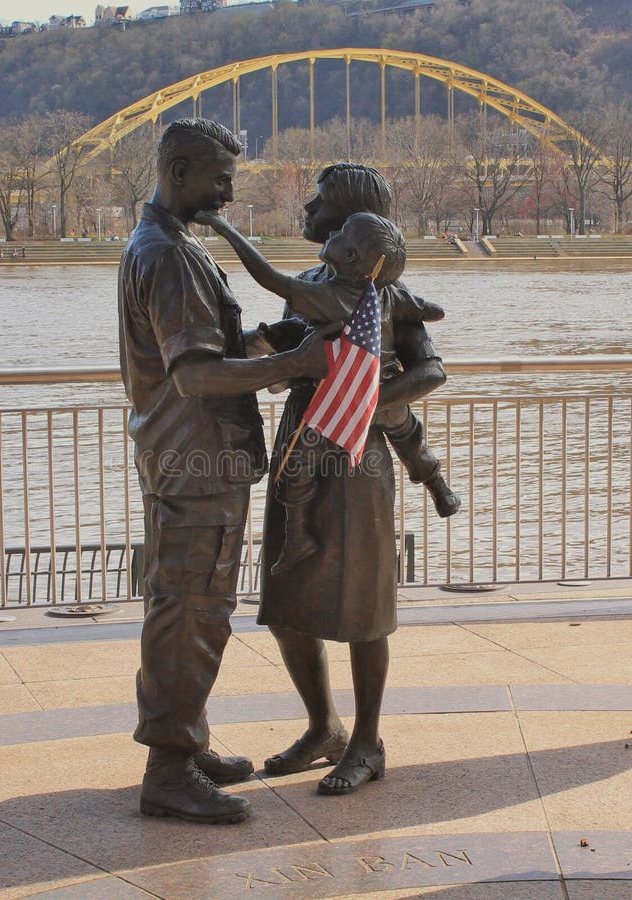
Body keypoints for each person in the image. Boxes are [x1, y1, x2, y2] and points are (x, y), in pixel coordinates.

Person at [118, 118, 329, 825]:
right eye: (220, 180)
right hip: (196, 460)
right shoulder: (171, 257)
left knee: (186, 607)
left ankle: (185, 739)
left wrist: (268, 340)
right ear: (179, 172)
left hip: (184, 457)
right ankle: (169, 768)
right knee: (192, 612)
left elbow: (212, 348)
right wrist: (293, 365)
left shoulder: (166, 245)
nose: (229, 194)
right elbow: (198, 375)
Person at [254, 163, 454, 795]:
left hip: (359, 457)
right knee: (286, 601)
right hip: (300, 442)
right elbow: (285, 352)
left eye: (318, 200)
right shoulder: (314, 283)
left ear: (349, 225)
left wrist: (368, 395)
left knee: (365, 607)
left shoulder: (386, 294)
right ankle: (324, 727)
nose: (306, 208)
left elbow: (432, 370)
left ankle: (367, 742)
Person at [195, 207, 459, 574]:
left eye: (341, 232)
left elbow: (272, 279)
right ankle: (438, 486)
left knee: (296, 465)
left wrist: (226, 230)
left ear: (350, 257)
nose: (331, 232)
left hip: (346, 396)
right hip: (382, 388)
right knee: (410, 434)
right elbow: (424, 308)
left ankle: (298, 536)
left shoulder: (332, 296)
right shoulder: (382, 293)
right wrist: (435, 310)